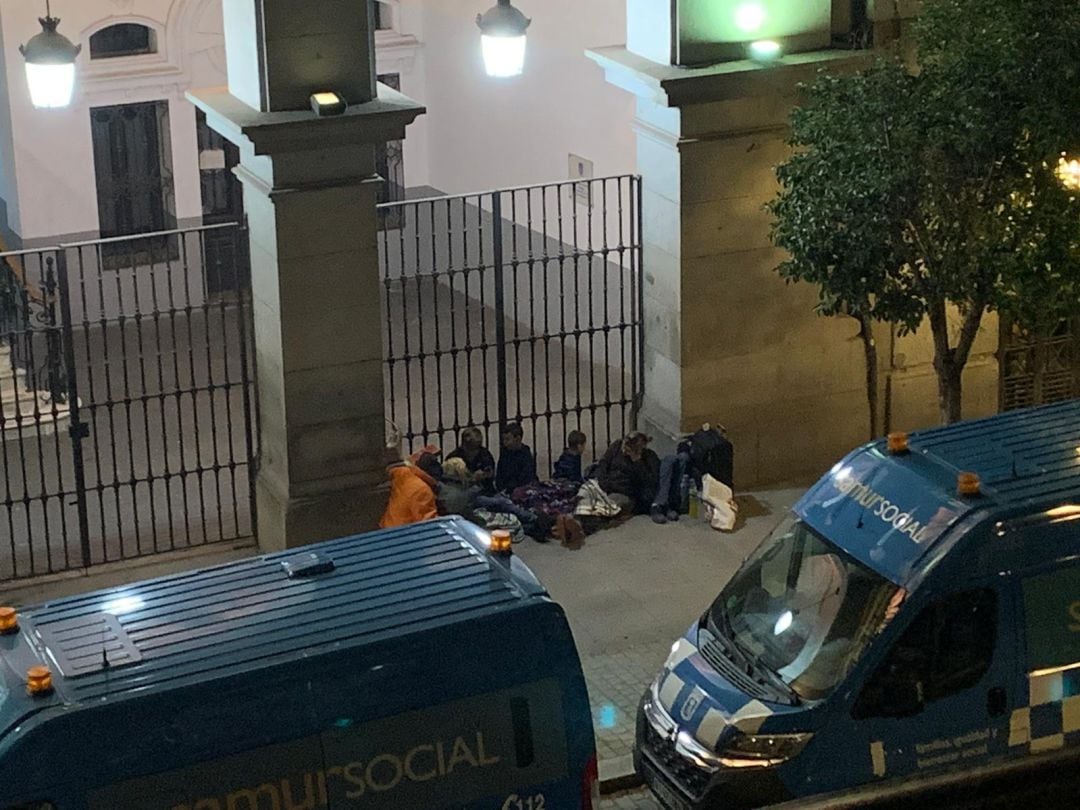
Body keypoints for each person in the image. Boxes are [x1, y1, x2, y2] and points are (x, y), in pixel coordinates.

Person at [595, 431, 659, 515]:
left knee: (605, 506)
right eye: (624, 447)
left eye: (628, 450)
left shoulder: (647, 458)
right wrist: (603, 481)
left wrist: (637, 462)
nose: (624, 451)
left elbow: (648, 482)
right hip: (606, 485)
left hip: (623, 492)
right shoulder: (617, 446)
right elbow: (604, 463)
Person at [380, 459, 438, 529]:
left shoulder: (400, 482)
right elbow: (428, 524)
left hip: (390, 531)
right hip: (406, 534)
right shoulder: (420, 489)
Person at [446, 427, 496, 494]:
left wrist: (484, 475)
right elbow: (448, 477)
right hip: (462, 492)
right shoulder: (454, 456)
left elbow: (490, 471)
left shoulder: (484, 453)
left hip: (484, 490)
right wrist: (469, 478)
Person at [496, 422, 537, 494]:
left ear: (518, 439)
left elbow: (526, 477)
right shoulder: (505, 453)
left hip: (522, 490)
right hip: (505, 491)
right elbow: (499, 475)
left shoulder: (525, 455)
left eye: (507, 439)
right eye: (504, 439)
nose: (505, 443)